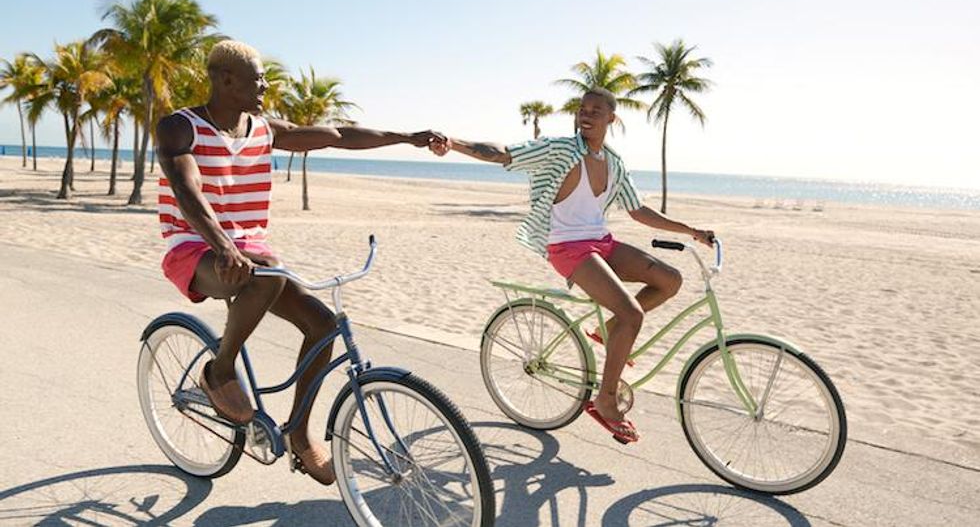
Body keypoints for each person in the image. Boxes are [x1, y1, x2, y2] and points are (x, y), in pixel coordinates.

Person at [156, 39, 447, 484]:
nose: (265, 84)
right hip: (195, 248)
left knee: (324, 324)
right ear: (226, 80)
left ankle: (298, 432)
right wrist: (222, 245)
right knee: (266, 267)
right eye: (257, 77)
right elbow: (186, 190)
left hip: (252, 255)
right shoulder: (181, 127)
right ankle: (219, 371)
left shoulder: (264, 129)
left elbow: (338, 136)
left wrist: (405, 137)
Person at [430, 87, 714, 443]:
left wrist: (691, 231)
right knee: (633, 315)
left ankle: (609, 332)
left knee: (670, 280)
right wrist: (454, 143)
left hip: (600, 242)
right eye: (583, 109)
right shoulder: (561, 150)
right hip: (566, 247)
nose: (586, 114)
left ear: (612, 118)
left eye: (596, 110)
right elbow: (503, 154)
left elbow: (638, 210)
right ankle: (605, 402)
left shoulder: (614, 162)